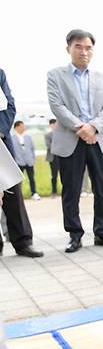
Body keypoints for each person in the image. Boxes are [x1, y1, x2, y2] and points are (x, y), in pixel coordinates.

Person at [46, 29, 103, 253]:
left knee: (101, 188)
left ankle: (101, 231)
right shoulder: (55, 75)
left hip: (99, 139)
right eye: (78, 46)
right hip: (71, 139)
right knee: (71, 189)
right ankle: (74, 235)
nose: (83, 51)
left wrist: (93, 127)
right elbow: (57, 106)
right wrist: (81, 128)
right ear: (68, 48)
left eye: (88, 47)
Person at [0, 68, 43, 258]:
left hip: (0, 143)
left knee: (11, 193)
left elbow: (9, 106)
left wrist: (0, 132)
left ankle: (23, 242)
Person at [10, 121, 39, 200]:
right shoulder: (12, 138)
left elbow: (32, 149)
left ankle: (34, 193)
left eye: (24, 126)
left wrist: (33, 159)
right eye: (22, 126)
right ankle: (19, 196)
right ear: (16, 127)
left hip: (29, 162)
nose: (23, 127)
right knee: (18, 180)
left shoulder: (28, 137)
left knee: (32, 178)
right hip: (18, 162)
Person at [44, 119, 59, 197]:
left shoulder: (61, 134)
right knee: (54, 176)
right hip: (53, 157)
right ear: (50, 126)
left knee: (65, 175)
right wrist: (58, 146)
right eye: (52, 124)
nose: (54, 126)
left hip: (61, 156)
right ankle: (54, 192)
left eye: (55, 124)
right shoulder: (47, 135)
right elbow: (48, 146)